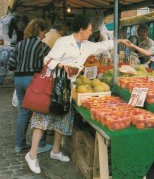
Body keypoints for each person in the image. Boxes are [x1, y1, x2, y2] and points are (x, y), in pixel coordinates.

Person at [25, 15, 131, 174]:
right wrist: (63, 65)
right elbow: (47, 60)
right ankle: (32, 155)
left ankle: (55, 151)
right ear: (81, 29)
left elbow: (102, 45)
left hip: (68, 86)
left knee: (63, 117)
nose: (90, 32)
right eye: (89, 30)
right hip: (54, 84)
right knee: (43, 118)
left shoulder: (86, 44)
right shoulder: (63, 42)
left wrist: (118, 42)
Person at [7, 19, 52, 153]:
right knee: (39, 112)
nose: (45, 35)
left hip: (18, 80)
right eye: (44, 32)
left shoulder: (20, 44)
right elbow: (49, 66)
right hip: (33, 81)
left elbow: (11, 65)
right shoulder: (43, 47)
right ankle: (41, 144)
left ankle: (19, 144)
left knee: (23, 112)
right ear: (40, 31)